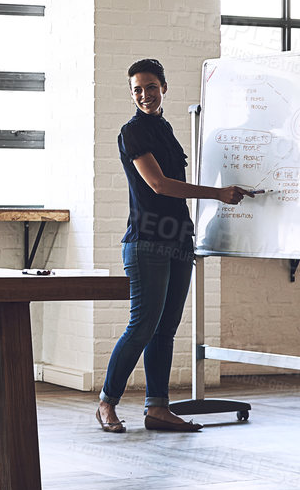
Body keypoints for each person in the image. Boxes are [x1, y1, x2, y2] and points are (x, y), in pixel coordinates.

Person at [98, 58, 251, 434]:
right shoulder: (132, 132)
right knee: (142, 327)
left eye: (151, 87)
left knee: (165, 329)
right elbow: (159, 184)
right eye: (137, 89)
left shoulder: (164, 128)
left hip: (179, 240)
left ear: (163, 87)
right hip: (147, 240)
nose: (144, 95)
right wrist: (217, 194)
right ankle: (107, 402)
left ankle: (157, 408)